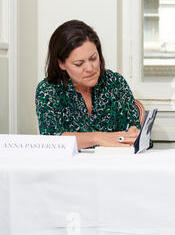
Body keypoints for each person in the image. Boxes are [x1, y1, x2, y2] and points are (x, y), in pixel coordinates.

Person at [36, 20, 142, 149]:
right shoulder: (48, 90)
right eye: (79, 64)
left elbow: (133, 130)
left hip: (114, 163)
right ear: (61, 64)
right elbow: (52, 139)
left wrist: (134, 134)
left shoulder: (115, 82)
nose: (90, 68)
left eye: (93, 58)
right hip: (69, 167)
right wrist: (97, 138)